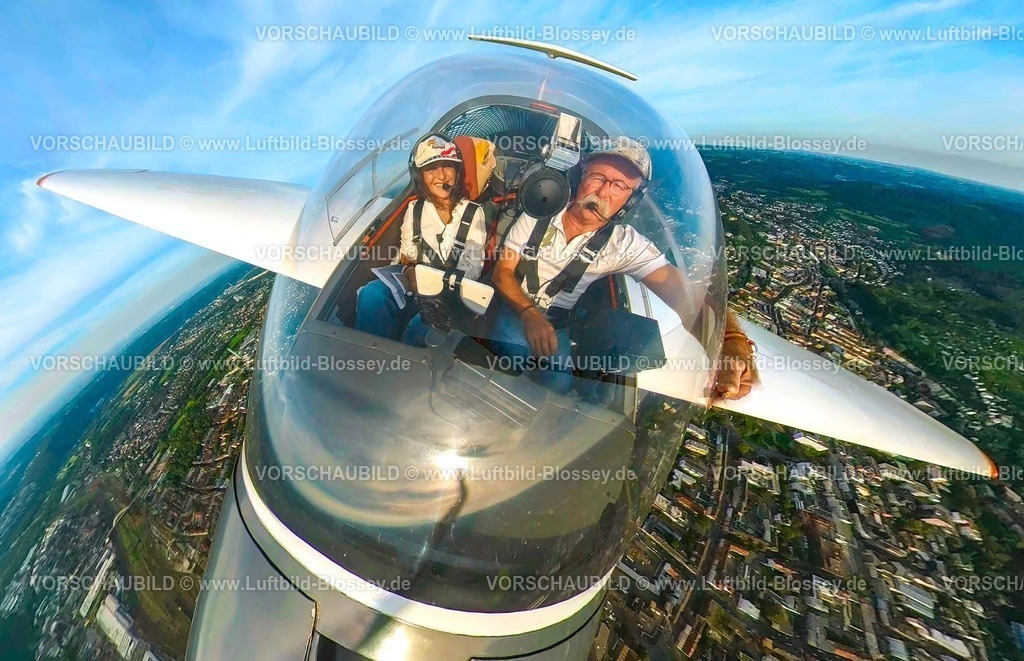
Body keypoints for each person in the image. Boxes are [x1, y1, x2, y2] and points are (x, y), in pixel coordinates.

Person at [489, 136, 756, 399]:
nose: (603, 192)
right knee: (509, 359)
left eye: (619, 185)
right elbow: (502, 273)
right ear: (580, 176)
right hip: (515, 309)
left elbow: (683, 294)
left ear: (630, 199)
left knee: (558, 387)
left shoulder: (624, 244)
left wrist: (731, 343)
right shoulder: (542, 207)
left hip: (556, 327)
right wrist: (529, 315)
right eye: (598, 177)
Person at [354, 134, 487, 344]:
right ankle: (368, 361)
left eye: (448, 166)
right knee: (373, 295)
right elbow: (407, 254)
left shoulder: (474, 212)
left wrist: (442, 285)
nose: (442, 176)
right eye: (431, 168)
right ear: (420, 176)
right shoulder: (414, 209)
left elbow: (473, 264)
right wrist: (410, 271)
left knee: (424, 325)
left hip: (450, 294)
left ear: (457, 171)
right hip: (413, 285)